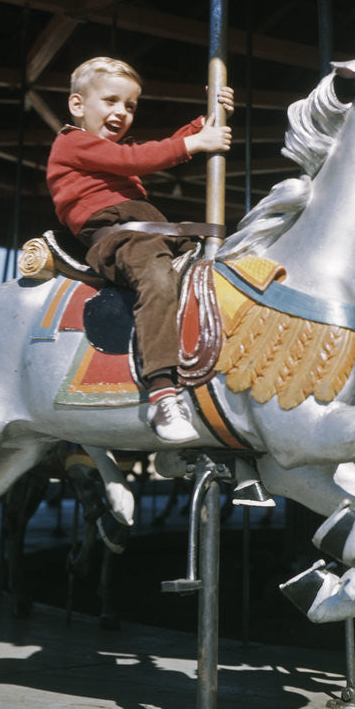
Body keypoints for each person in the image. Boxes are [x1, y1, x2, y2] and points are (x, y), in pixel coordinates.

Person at [47, 56, 233, 444]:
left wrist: (207, 120)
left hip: (151, 231)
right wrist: (194, 142)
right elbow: (138, 158)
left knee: (228, 268)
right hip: (116, 239)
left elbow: (152, 149)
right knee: (158, 280)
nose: (122, 112)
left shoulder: (104, 151)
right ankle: (162, 392)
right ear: (77, 105)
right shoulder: (72, 142)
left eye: (130, 105)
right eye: (111, 100)